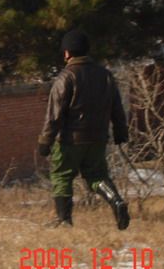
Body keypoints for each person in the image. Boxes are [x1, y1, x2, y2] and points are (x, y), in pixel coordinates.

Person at [37, 29, 130, 229]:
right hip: (97, 138)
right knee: (97, 176)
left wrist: (45, 142)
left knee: (61, 176)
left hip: (70, 140)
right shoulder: (105, 75)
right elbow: (117, 107)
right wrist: (121, 131)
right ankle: (116, 200)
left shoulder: (65, 77)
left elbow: (54, 116)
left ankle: (64, 220)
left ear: (67, 53)